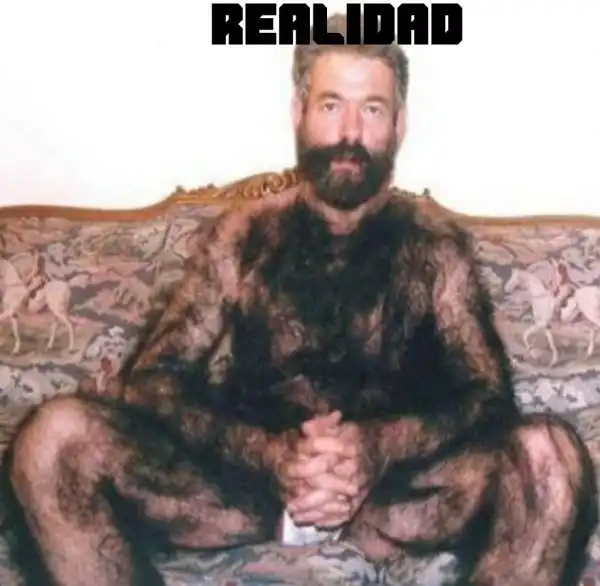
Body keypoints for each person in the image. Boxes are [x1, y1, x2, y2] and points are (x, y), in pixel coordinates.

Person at [3, 12, 597, 586]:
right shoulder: (240, 237)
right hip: (243, 496)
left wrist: (379, 446)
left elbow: (488, 399)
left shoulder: (436, 248)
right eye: (331, 105)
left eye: (372, 109)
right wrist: (269, 455)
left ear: (400, 124)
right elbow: (152, 382)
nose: (350, 134)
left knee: (549, 457)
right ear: (299, 112)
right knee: (53, 440)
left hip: (396, 503)